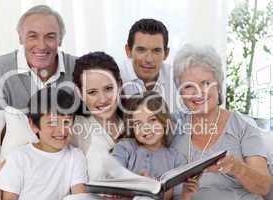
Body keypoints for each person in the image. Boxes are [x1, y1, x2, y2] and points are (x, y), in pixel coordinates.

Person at [171, 44, 272, 200]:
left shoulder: (243, 126)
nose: (198, 92)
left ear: (218, 85)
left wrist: (237, 167)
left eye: (205, 83)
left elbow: (265, 187)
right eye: (189, 86)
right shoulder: (170, 125)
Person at [0, 87, 88, 199]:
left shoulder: (75, 156)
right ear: (33, 125)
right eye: (52, 123)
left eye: (67, 121)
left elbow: (80, 195)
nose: (62, 130)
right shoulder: (19, 157)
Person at [112, 91, 198, 200]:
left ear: (165, 121)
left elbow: (177, 196)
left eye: (152, 120)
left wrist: (186, 194)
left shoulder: (177, 159)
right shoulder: (125, 147)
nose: (146, 128)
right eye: (138, 123)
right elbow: (113, 173)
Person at [0, 5, 75, 112]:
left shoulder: (79, 67)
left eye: (50, 36)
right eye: (33, 36)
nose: (41, 46)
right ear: (20, 38)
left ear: (60, 39)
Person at [71, 52, 126, 181]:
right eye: (92, 92)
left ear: (119, 85)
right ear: (79, 93)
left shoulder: (137, 122)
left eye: (108, 88)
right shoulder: (75, 130)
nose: (103, 99)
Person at [119, 18, 177, 112]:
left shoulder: (177, 78)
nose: (149, 59)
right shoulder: (114, 78)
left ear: (166, 54)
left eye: (156, 51)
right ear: (128, 51)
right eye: (141, 50)